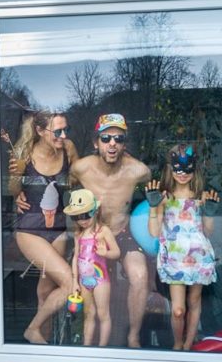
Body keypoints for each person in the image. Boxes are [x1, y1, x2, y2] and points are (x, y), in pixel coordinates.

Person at [18, 113, 151, 348]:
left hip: (122, 234)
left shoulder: (139, 171)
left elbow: (166, 186)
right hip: (90, 235)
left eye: (118, 139)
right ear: (95, 142)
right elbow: (53, 184)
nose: (112, 144)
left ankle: (133, 336)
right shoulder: (80, 168)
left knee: (140, 276)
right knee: (70, 289)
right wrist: (20, 195)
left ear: (124, 144)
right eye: (106, 138)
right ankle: (72, 342)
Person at [8, 110, 80, 344]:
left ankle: (43, 348)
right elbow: (13, 189)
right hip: (30, 231)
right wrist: (16, 190)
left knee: (45, 293)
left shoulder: (68, 149)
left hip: (58, 231)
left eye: (65, 129)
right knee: (70, 283)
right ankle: (33, 328)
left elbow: (79, 181)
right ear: (39, 131)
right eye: (57, 131)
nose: (62, 135)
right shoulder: (24, 153)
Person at [145, 144, 220, 350]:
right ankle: (178, 344)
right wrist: (153, 207)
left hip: (198, 257)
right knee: (178, 309)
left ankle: (187, 345)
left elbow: (208, 231)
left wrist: (210, 214)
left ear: (194, 169)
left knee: (194, 302)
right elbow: (153, 231)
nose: (183, 174)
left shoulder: (200, 196)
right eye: (178, 169)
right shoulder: (164, 197)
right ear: (170, 168)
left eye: (188, 169)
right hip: (175, 260)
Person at [64, 189, 120, 346]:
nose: (81, 220)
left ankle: (102, 348)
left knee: (103, 314)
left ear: (95, 211)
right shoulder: (78, 234)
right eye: (76, 216)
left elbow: (116, 252)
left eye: (85, 215)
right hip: (83, 280)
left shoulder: (103, 232)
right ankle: (86, 347)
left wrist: (105, 253)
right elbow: (76, 257)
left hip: (100, 279)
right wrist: (75, 282)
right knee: (89, 314)